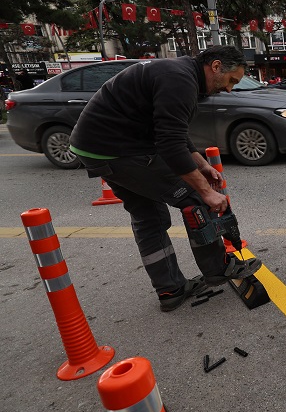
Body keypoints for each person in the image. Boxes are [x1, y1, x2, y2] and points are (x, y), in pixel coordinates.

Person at [69, 46, 263, 312]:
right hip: (119, 150)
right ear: (216, 66)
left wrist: (202, 164)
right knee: (194, 199)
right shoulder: (181, 80)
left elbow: (173, 131)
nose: (229, 89)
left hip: (98, 148)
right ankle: (218, 268)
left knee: (148, 217)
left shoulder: (179, 74)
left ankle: (171, 289)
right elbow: (170, 144)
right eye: (231, 80)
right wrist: (206, 191)